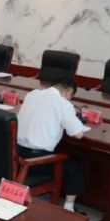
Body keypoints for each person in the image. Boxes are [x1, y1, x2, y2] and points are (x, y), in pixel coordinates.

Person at [17, 79, 87, 212]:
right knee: (75, 165)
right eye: (71, 96)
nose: (70, 99)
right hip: (36, 162)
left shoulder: (32, 94)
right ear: (68, 91)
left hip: (17, 155)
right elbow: (78, 134)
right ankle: (69, 209)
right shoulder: (63, 104)